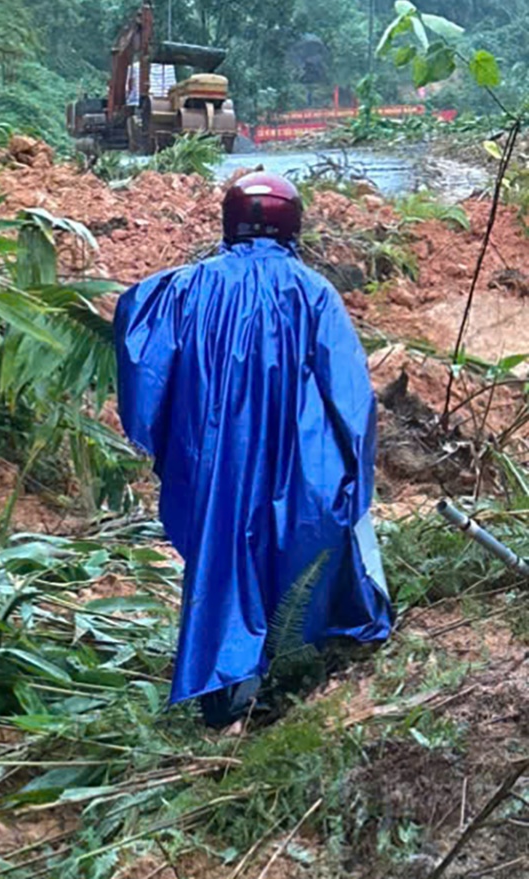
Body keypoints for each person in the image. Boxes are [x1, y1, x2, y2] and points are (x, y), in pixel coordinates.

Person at [114, 172, 394, 728]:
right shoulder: (313, 293)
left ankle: (227, 694)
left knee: (222, 562)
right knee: (299, 547)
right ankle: (293, 660)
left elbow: (138, 340)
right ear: (293, 224)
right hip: (294, 464)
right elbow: (349, 397)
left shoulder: (186, 290)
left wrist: (167, 434)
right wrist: (351, 471)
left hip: (215, 466)